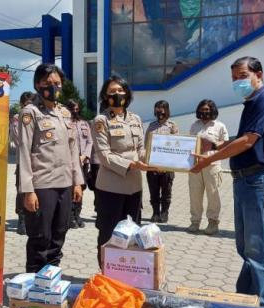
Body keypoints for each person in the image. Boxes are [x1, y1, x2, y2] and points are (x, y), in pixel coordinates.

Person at [191, 56, 264, 306]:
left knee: (257, 250)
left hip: (259, 181)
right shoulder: (251, 103)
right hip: (246, 181)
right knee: (246, 247)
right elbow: (239, 139)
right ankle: (244, 300)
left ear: (259, 74)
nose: (237, 82)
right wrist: (216, 148)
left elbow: (247, 141)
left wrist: (209, 160)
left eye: (242, 76)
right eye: (234, 78)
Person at [18, 64, 84, 273]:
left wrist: (77, 182)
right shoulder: (31, 112)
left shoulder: (64, 113)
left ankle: (52, 278)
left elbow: (73, 150)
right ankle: (34, 284)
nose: (52, 87)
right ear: (38, 84)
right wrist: (28, 191)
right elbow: (24, 152)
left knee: (59, 234)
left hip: (65, 184)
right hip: (42, 185)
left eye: (56, 83)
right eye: (47, 83)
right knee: (40, 237)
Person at [91, 75, 151, 266]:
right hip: (110, 187)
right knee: (109, 233)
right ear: (105, 96)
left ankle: (127, 271)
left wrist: (154, 159)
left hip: (134, 186)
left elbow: (140, 149)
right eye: (112, 92)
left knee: (132, 232)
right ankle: (107, 272)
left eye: (120, 90)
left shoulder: (136, 119)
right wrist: (132, 164)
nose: (117, 94)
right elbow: (104, 155)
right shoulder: (101, 121)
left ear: (127, 93)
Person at [188, 99, 229, 234]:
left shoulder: (220, 126)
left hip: (212, 164)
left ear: (213, 110)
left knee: (213, 194)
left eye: (207, 110)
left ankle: (213, 222)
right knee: (195, 194)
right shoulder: (194, 126)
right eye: (202, 109)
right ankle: (195, 221)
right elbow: (189, 143)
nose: (205, 112)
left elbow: (226, 144)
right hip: (196, 165)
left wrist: (214, 144)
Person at [145, 100, 179, 223]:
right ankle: (155, 212)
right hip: (153, 164)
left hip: (167, 165)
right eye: (157, 108)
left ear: (167, 110)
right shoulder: (151, 125)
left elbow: (176, 145)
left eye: (162, 108)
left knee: (166, 190)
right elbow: (146, 145)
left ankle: (164, 213)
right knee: (153, 190)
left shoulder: (172, 125)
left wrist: (169, 163)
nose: (160, 111)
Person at [11, 91, 36, 235]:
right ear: (21, 104)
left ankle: (32, 218)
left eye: (32, 103)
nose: (29, 107)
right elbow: (20, 139)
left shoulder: (38, 116)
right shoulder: (17, 118)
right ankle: (21, 219)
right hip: (23, 161)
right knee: (22, 191)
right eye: (26, 104)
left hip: (38, 162)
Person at [66, 99, 93, 228]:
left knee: (81, 188)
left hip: (83, 162)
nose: (75, 112)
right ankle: (70, 217)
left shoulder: (84, 123)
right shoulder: (65, 123)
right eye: (73, 109)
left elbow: (90, 141)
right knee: (71, 189)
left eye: (77, 109)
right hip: (70, 163)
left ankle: (77, 214)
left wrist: (85, 156)